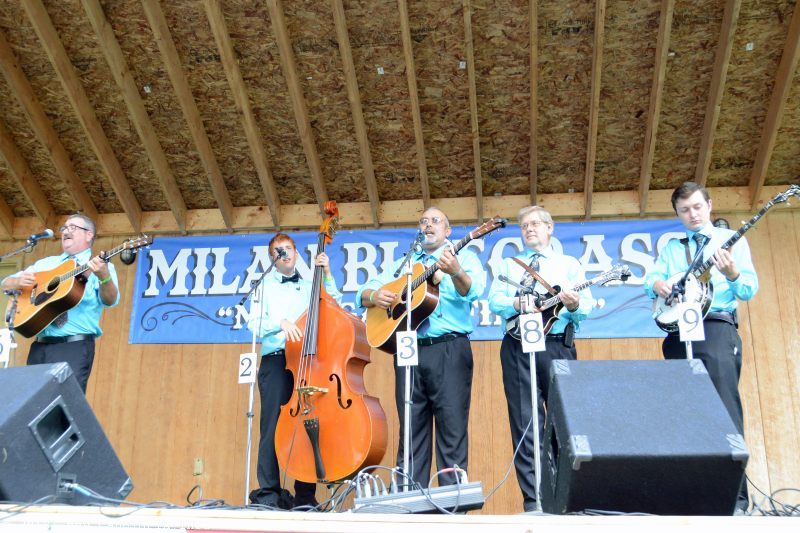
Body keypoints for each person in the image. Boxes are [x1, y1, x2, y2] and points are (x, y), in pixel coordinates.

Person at [644, 181, 757, 514]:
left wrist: (732, 273)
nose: (692, 214)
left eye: (696, 207)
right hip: (679, 332)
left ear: (709, 205)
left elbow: (749, 289)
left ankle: (734, 500)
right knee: (684, 413)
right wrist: (657, 284)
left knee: (724, 409)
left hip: (716, 328)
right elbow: (651, 279)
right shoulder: (673, 248)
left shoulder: (731, 240)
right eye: (684, 210)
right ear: (678, 214)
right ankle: (693, 498)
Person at [356, 207, 486, 488]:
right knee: (411, 428)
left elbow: (473, 290)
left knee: (452, 428)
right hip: (408, 349)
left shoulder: (463, 257)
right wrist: (374, 296)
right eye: (423, 221)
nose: (428, 225)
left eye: (435, 221)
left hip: (448, 348)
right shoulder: (405, 264)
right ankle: (410, 496)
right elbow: (363, 293)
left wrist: (456, 271)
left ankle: (452, 500)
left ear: (448, 231)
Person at [487, 205, 593, 512]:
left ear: (550, 228)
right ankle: (535, 498)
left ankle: (567, 498)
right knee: (525, 422)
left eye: (535, 223)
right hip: (518, 346)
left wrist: (573, 305)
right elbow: (494, 300)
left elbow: (585, 308)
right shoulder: (509, 265)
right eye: (524, 226)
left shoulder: (568, 264)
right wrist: (517, 303)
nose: (529, 229)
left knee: (563, 422)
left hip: (558, 345)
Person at [245, 232, 342, 510]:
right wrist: (281, 322)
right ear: (272, 258)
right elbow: (253, 323)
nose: (285, 253)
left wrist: (328, 273)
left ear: (297, 253)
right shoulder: (262, 286)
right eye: (279, 250)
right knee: (272, 426)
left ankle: (305, 496)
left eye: (288, 248)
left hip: (305, 362)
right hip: (276, 360)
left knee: (307, 424)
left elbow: (335, 306)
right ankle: (269, 493)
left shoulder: (312, 285)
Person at [1, 214, 119, 392]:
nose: (66, 231)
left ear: (89, 235)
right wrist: (17, 282)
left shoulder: (101, 266)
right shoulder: (46, 264)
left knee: (64, 403)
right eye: (64, 228)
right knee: (33, 402)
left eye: (73, 227)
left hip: (74, 347)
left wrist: (104, 277)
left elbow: (110, 300)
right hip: (40, 346)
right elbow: (5, 283)